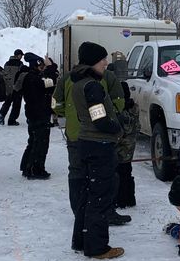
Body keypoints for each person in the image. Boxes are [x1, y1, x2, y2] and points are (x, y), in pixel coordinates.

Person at [53, 52, 130, 225]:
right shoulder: (101, 79)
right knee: (103, 177)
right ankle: (103, 213)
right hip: (98, 137)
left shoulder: (68, 78)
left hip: (75, 134)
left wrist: (68, 116)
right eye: (102, 59)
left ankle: (80, 213)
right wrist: (116, 121)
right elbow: (117, 100)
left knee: (78, 174)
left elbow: (56, 103)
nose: (105, 63)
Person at [70, 41, 125, 259]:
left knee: (87, 195)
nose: (106, 62)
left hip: (86, 143)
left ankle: (81, 241)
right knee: (100, 197)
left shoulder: (79, 83)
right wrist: (116, 127)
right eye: (102, 59)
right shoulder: (92, 86)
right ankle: (98, 247)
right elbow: (99, 118)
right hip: (98, 145)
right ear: (92, 61)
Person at [19, 53, 57, 179]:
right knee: (40, 142)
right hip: (39, 113)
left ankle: (27, 166)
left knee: (34, 141)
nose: (43, 68)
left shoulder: (31, 77)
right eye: (41, 66)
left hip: (34, 113)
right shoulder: (34, 79)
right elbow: (51, 82)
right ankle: (36, 169)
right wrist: (51, 67)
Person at [115, 81, 140, 208]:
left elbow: (119, 130)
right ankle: (130, 198)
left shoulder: (121, 111)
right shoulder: (134, 108)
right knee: (127, 172)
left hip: (120, 146)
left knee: (119, 173)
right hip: (130, 145)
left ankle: (120, 199)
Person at [0, 49, 25, 126]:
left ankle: (2, 114)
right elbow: (21, 76)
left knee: (7, 102)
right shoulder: (20, 64)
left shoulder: (7, 63)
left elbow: (4, 74)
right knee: (16, 105)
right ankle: (12, 120)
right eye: (21, 55)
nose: (21, 57)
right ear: (18, 55)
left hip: (8, 86)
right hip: (17, 87)